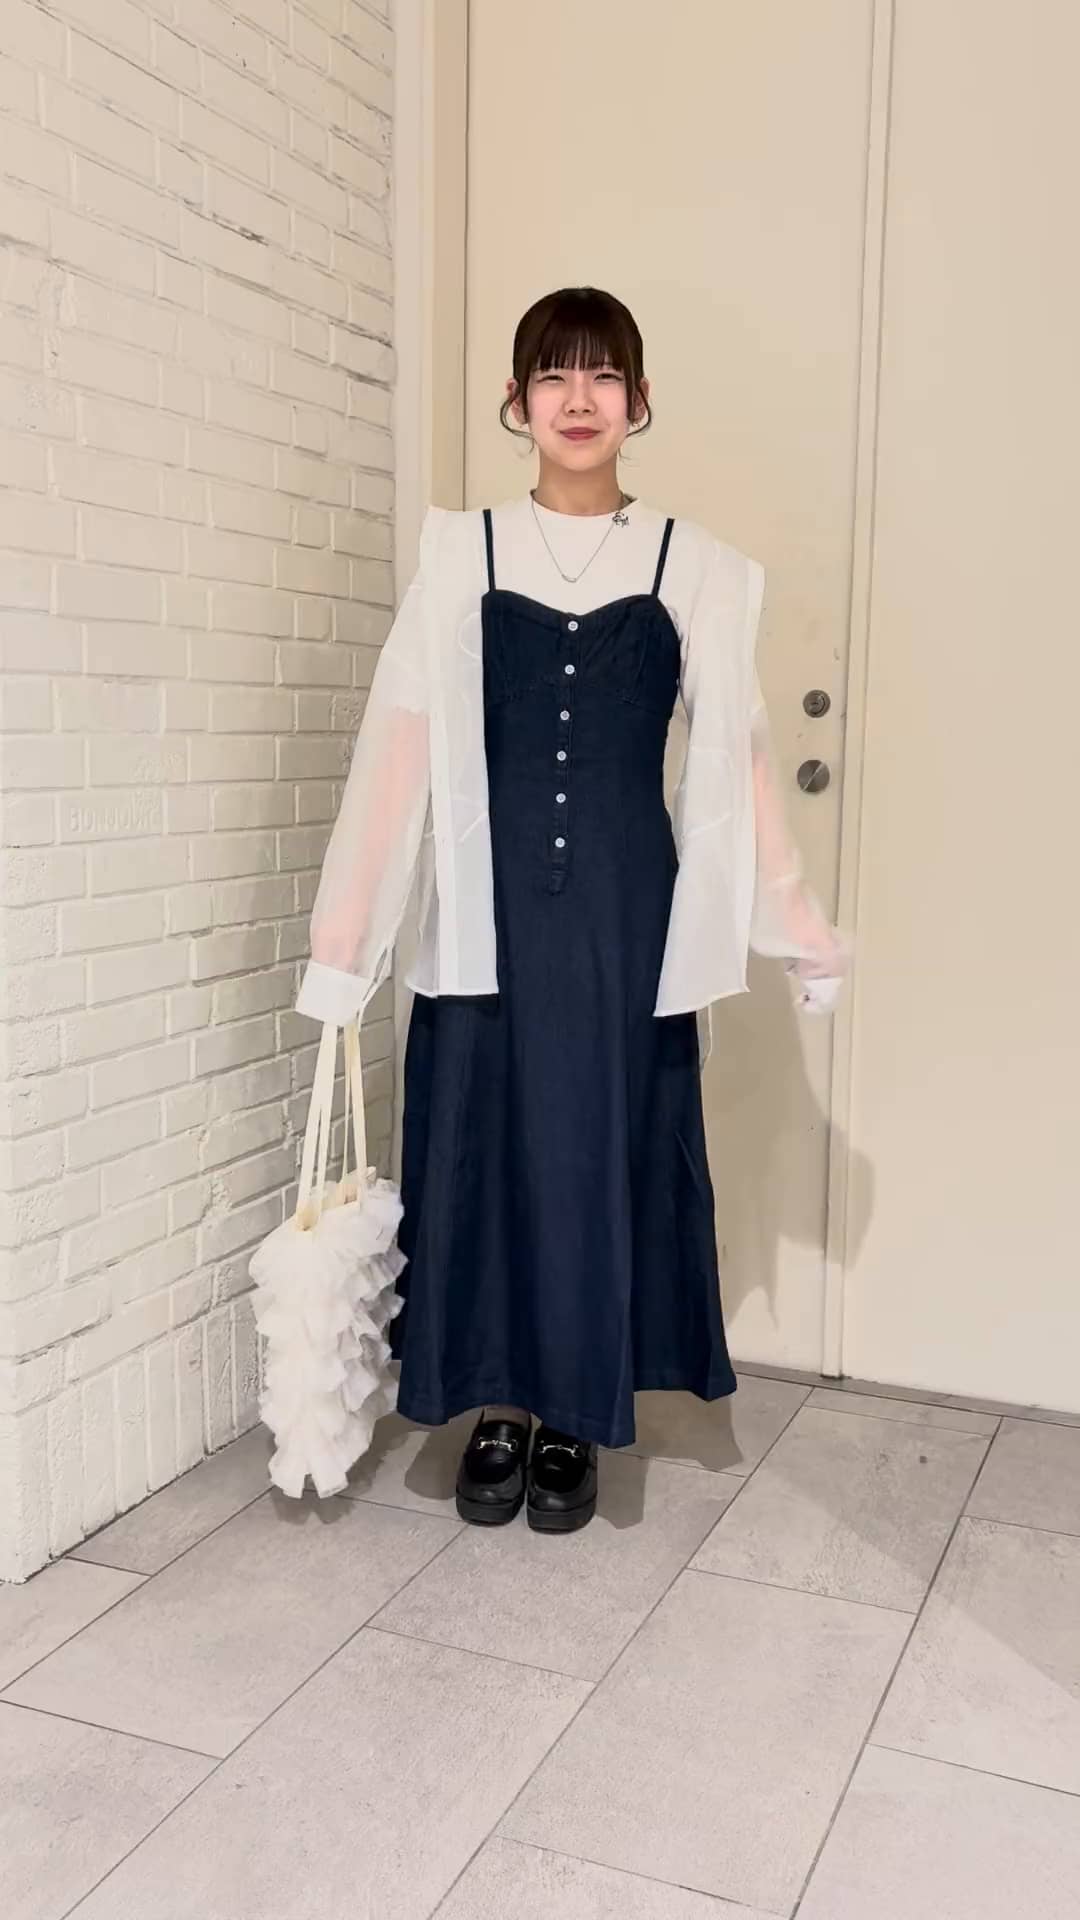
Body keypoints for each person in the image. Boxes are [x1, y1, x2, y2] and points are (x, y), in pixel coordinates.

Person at [296, 286, 848, 1534]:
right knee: (483, 1143)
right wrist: (345, 946)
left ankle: (574, 1414)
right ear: (518, 400)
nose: (580, 398)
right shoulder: (462, 553)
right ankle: (493, 1404)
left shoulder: (696, 567)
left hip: (622, 924)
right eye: (555, 374)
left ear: (640, 402)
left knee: (595, 1152)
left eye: (604, 376)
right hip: (483, 917)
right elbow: (396, 752)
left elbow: (743, 761)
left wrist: (800, 932)